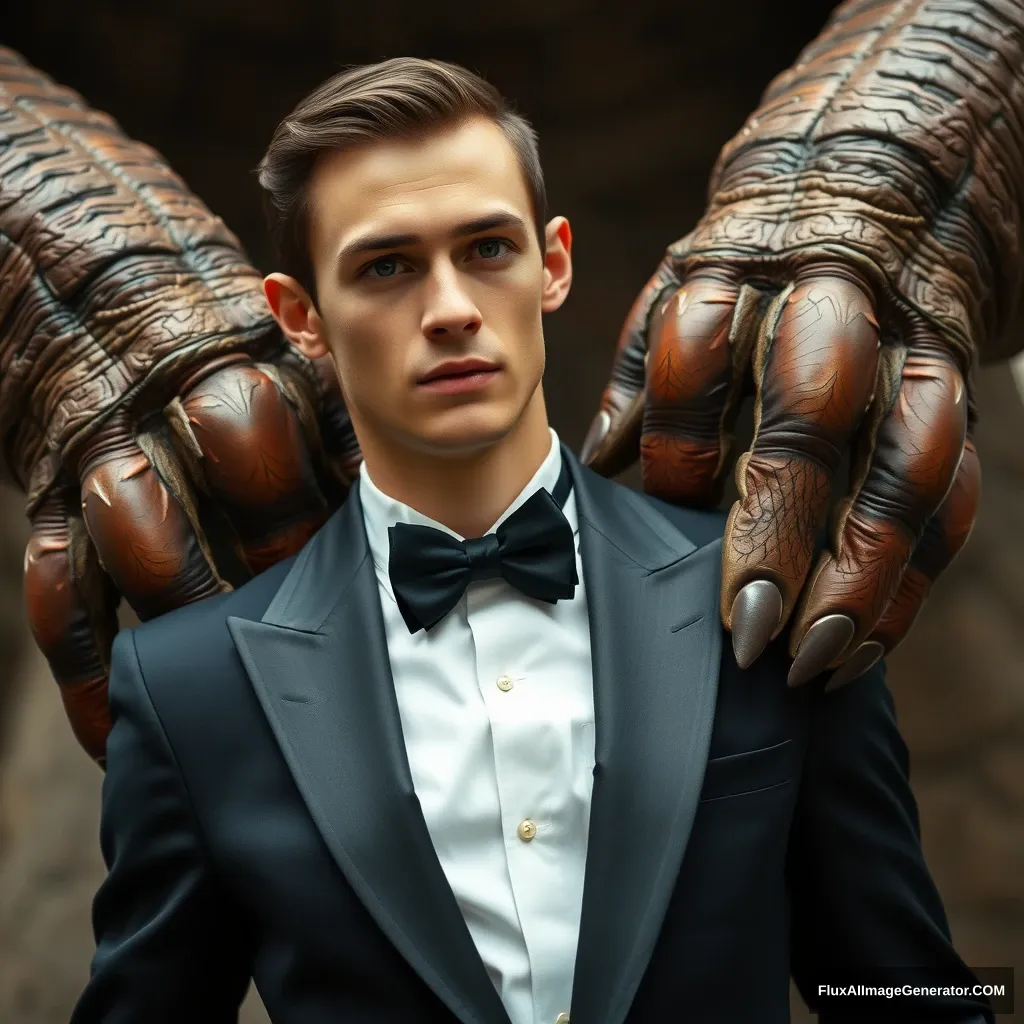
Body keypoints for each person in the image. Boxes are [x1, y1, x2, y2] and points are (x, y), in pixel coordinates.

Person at [71, 59, 992, 1024]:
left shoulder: (769, 591)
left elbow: (901, 989)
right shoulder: (188, 691)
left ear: (552, 262)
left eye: (486, 248)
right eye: (386, 266)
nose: (451, 307)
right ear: (301, 317)